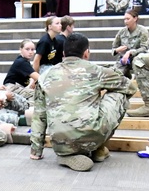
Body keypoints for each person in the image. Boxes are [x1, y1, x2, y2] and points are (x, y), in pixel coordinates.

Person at [30, 33, 134, 172]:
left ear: (63, 53)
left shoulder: (45, 75)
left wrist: (36, 150)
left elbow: (39, 115)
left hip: (59, 142)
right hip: (91, 136)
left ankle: (66, 154)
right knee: (120, 93)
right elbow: (129, 87)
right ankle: (98, 147)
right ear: (86, 53)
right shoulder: (96, 70)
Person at [110, 7, 149, 78]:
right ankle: (126, 75)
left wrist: (130, 52)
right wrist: (117, 50)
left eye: (128, 19)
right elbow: (113, 48)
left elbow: (144, 48)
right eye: (124, 19)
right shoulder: (122, 32)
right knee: (114, 76)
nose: (126, 21)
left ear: (135, 18)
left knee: (142, 77)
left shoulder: (142, 31)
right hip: (123, 60)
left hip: (138, 59)